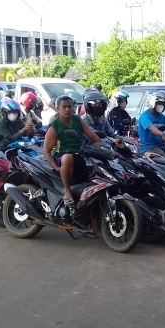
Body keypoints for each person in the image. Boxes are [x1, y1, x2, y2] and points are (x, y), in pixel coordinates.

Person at [43, 95, 103, 234]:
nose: (67, 109)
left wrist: (106, 147)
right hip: (62, 157)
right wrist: (55, 166)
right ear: (57, 109)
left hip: (79, 156)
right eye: (64, 107)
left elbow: (92, 136)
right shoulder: (55, 126)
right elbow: (46, 151)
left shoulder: (77, 120)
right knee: (68, 157)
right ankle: (67, 191)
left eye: (70, 106)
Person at [137, 91, 165, 156]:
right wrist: (163, 135)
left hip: (161, 146)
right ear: (153, 103)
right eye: (160, 103)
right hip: (149, 148)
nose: (162, 106)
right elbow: (151, 128)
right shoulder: (145, 116)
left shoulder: (161, 116)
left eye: (164, 104)